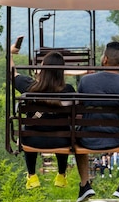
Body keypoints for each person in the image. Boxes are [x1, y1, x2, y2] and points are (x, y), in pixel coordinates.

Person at [74, 41, 119, 202]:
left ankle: (85, 184)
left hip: (86, 139)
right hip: (117, 139)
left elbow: (79, 108)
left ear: (105, 59)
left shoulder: (86, 81)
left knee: (76, 134)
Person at [10, 40, 75, 189]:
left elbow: (12, 73)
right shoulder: (68, 90)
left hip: (33, 142)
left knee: (28, 129)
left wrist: (10, 52)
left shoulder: (29, 86)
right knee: (62, 130)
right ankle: (61, 174)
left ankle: (32, 175)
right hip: (61, 142)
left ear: (43, 68)